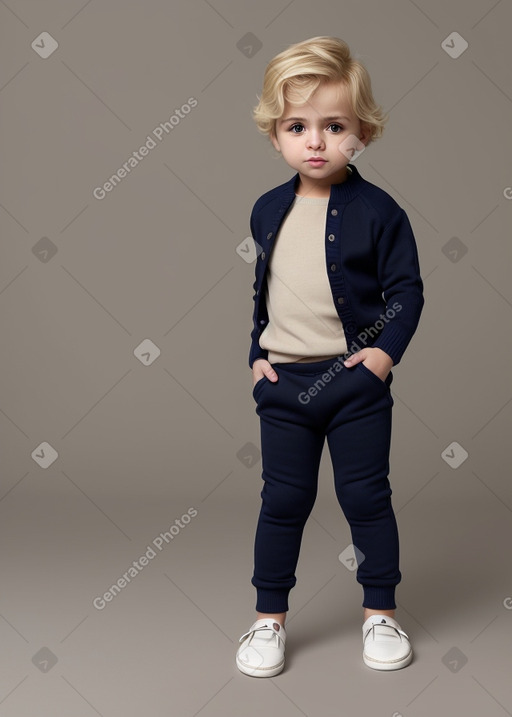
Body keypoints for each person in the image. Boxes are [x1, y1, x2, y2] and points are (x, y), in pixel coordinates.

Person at [236, 36, 424, 677]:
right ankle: (268, 622)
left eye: (334, 126)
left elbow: (406, 291)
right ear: (275, 136)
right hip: (284, 386)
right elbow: (265, 291)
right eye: (298, 126)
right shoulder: (266, 209)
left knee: (366, 495)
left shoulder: (379, 212)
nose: (315, 141)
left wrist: (382, 358)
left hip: (353, 385)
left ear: (361, 133)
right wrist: (255, 357)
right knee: (281, 501)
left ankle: (380, 614)